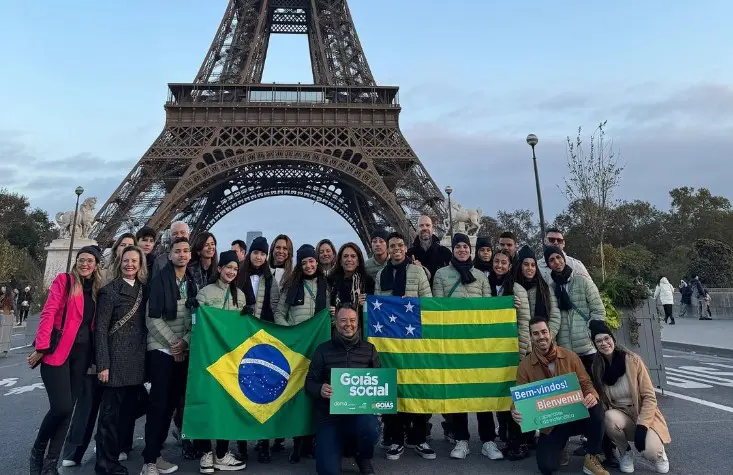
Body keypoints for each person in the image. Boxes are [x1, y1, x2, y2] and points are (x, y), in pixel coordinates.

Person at [28, 246, 103, 475]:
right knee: (61, 407)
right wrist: (41, 346)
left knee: (68, 410)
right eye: (81, 259)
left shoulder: (98, 290)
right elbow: (49, 312)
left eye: (90, 260)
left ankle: (51, 463)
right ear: (76, 262)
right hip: (57, 351)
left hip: (82, 356)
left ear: (96, 264)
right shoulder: (65, 281)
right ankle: (37, 451)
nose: (85, 264)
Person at [432, 234, 504, 461]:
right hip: (453, 342)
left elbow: (490, 309)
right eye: (458, 246)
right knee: (458, 392)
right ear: (452, 250)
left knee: (482, 390)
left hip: (478, 342)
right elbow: (437, 309)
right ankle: (462, 438)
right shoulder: (441, 275)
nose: (462, 249)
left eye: (465, 246)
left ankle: (487, 440)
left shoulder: (481, 276)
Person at [511, 317, 609, 475]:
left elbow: (585, 383)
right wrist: (515, 410)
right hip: (552, 423)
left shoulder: (570, 356)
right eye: (536, 334)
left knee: (596, 408)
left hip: (575, 414)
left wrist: (591, 393)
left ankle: (593, 456)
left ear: (550, 333)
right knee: (546, 467)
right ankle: (560, 446)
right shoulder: (525, 365)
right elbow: (519, 396)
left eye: (544, 332)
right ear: (531, 337)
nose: (541, 336)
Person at [375, 232, 435, 461]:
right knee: (393, 388)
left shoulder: (418, 272)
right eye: (393, 245)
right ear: (388, 249)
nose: (397, 248)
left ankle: (419, 438)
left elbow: (427, 304)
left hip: (415, 339)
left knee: (416, 387)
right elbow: (379, 308)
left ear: (405, 248)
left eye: (400, 245)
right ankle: (395, 440)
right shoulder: (382, 274)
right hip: (391, 340)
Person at [140, 237, 196, 475]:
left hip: (182, 348)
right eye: (177, 251)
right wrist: (175, 344)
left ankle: (157, 455)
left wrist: (185, 342)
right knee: (159, 404)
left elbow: (197, 318)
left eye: (186, 251)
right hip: (162, 350)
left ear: (190, 255)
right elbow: (152, 318)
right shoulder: (159, 281)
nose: (182, 255)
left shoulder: (193, 284)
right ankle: (149, 460)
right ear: (170, 255)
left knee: (172, 404)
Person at [94, 246, 149, 475]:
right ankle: (105, 464)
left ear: (140, 264)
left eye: (134, 261)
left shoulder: (144, 290)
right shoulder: (110, 291)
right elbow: (101, 331)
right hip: (115, 362)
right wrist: (103, 364)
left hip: (136, 362)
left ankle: (114, 455)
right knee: (109, 417)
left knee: (130, 410)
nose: (130, 265)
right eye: (126, 260)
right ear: (119, 263)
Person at [306, 305, 380, 475]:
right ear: (336, 323)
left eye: (353, 320)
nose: (349, 324)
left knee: (370, 429)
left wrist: (378, 407)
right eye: (344, 320)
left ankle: (362, 456)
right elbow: (309, 383)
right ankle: (336, 448)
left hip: (360, 413)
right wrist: (320, 389)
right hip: (330, 416)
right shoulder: (322, 350)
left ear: (358, 323)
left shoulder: (369, 349)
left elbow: (379, 383)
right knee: (328, 471)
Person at [589, 320, 671, 474]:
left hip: (642, 412)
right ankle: (625, 452)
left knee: (650, 453)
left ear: (613, 339)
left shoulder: (633, 361)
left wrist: (642, 425)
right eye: (598, 341)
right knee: (608, 417)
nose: (604, 343)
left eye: (607, 338)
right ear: (595, 344)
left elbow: (649, 397)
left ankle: (660, 454)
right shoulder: (597, 367)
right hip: (621, 414)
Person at [193, 250, 247, 473]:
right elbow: (197, 325)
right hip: (208, 356)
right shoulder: (204, 293)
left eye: (235, 269)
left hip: (230, 359)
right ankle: (206, 453)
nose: (231, 272)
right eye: (228, 267)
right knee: (206, 403)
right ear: (219, 269)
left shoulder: (241, 296)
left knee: (226, 405)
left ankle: (222, 453)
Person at [544, 245, 605, 374]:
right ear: (548, 265)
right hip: (565, 351)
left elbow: (598, 310)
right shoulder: (550, 288)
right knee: (574, 392)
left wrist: (590, 331)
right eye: (551, 260)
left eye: (558, 257)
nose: (556, 262)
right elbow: (553, 316)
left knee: (594, 388)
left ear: (564, 259)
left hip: (587, 348)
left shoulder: (582, 281)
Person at [513, 245, 561, 350]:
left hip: (545, 345)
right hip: (520, 345)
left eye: (533, 265)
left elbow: (555, 317)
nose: (530, 268)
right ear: (519, 266)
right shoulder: (511, 288)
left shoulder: (545, 289)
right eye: (526, 264)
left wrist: (544, 337)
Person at [236, 236, 280, 322]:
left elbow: (275, 304)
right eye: (255, 253)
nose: (258, 257)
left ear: (266, 257)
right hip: (241, 321)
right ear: (250, 253)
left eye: (262, 254)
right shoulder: (238, 274)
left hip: (262, 323)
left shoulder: (270, 279)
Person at [328, 242, 375, 323]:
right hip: (336, 328)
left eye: (353, 256)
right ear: (340, 261)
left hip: (361, 328)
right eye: (345, 256)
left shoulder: (368, 282)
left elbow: (375, 308)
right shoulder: (331, 282)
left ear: (358, 261)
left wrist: (366, 303)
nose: (349, 259)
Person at [406, 215, 451, 286]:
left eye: (427, 225)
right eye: (421, 225)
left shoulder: (445, 252)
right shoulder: (409, 254)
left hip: (439, 295)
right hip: (418, 295)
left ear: (432, 228)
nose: (424, 228)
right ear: (417, 229)